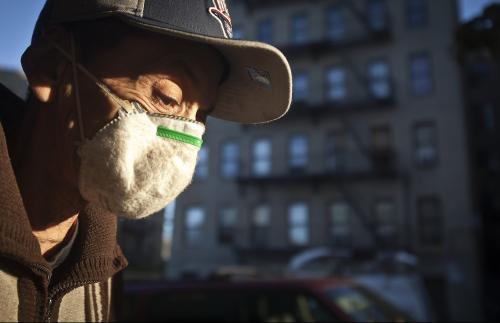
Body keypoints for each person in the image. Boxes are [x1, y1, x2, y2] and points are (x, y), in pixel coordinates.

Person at [0, 0, 291, 321]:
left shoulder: (101, 274)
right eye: (167, 97)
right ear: (51, 67)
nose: (185, 136)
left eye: (201, 115)